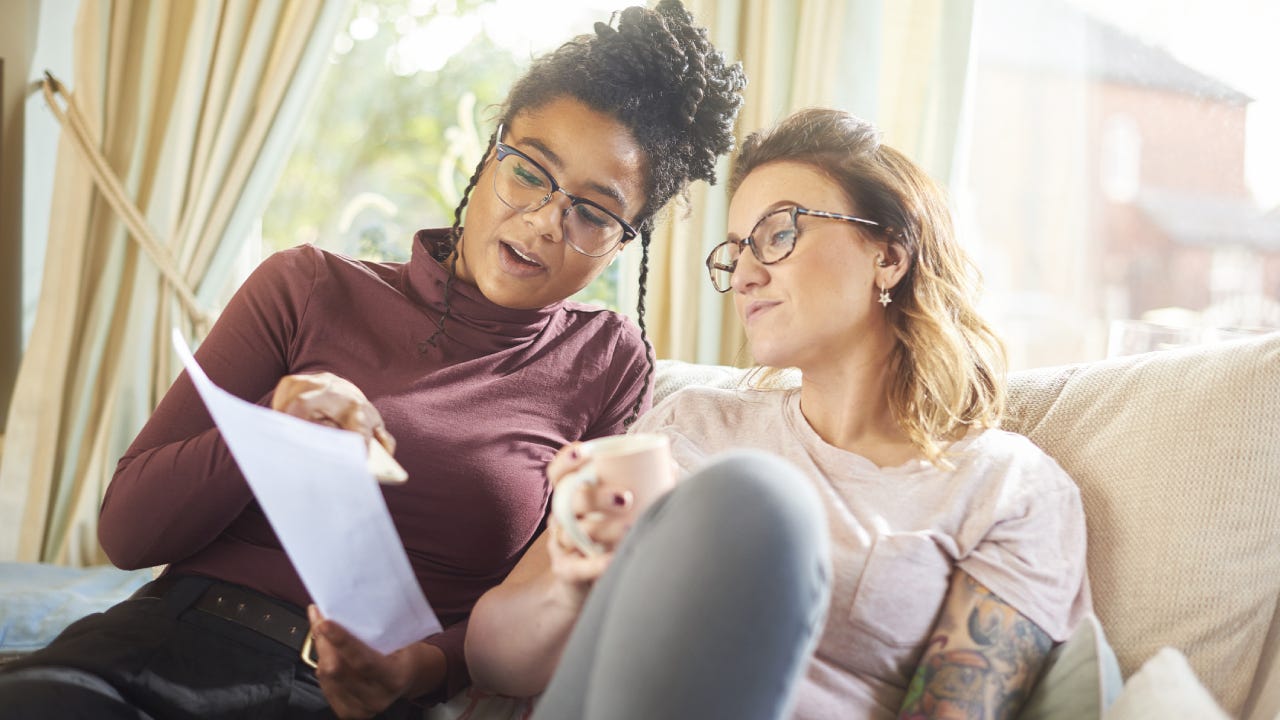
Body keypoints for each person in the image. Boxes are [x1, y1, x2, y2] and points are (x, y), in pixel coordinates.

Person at [0, 3, 746, 718]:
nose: (547, 221)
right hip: (163, 647)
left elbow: (544, 598)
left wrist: (412, 672)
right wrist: (272, 431)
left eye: (593, 212)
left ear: (624, 242)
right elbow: (128, 535)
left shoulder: (607, 363)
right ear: (489, 157)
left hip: (358, 700)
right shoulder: (305, 285)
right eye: (529, 171)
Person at [465, 107, 1092, 720]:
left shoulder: (1012, 489)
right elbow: (493, 663)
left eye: (777, 235)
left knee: (754, 496)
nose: (744, 274)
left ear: (890, 254)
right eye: (736, 251)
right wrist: (574, 586)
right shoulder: (690, 426)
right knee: (747, 492)